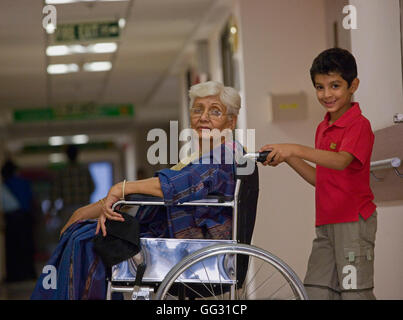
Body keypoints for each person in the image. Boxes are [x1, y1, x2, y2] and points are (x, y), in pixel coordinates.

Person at [31, 81, 243, 299]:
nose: (203, 117)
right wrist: (92, 208)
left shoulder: (223, 156)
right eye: (198, 109)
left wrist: (121, 188)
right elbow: (156, 189)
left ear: (231, 121)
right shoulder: (200, 157)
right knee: (83, 230)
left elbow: (176, 184)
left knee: (87, 240)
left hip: (190, 242)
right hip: (171, 234)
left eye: (214, 111)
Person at [259, 48, 377, 300]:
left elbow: (340, 161)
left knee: (354, 294)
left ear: (353, 85)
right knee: (315, 291)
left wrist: (295, 148)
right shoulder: (323, 127)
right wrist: (289, 156)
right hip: (325, 223)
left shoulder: (359, 124)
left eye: (335, 86)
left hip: (353, 223)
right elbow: (319, 179)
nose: (326, 94)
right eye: (319, 87)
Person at [1, 159, 37, 282]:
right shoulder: (24, 183)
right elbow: (32, 200)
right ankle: (30, 272)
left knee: (13, 248)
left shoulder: (6, 185)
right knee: (27, 245)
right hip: (26, 217)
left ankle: (15, 275)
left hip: (12, 218)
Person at [50, 144, 95, 229]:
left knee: (68, 234)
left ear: (67, 155)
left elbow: (55, 193)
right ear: (77, 154)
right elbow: (92, 187)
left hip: (68, 209)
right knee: (85, 233)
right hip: (84, 207)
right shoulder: (84, 171)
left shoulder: (62, 172)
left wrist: (51, 209)